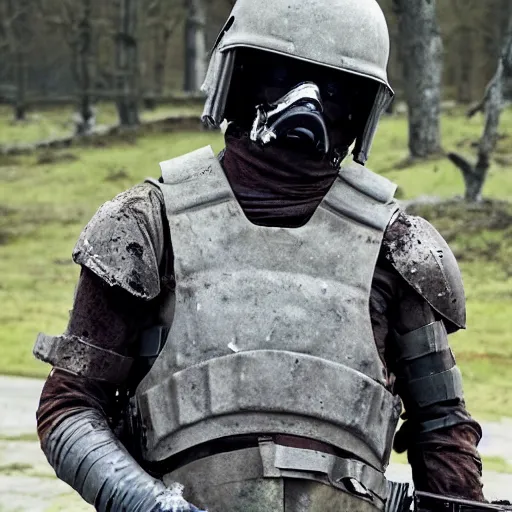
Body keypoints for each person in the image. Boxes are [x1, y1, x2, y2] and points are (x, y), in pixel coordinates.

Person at [34, 0, 485, 510]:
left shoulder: (400, 249)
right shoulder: (144, 225)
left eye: (333, 89)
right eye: (280, 76)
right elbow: (70, 407)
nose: (306, 104)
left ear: (361, 108)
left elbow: (443, 428)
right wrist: (147, 504)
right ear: (239, 79)